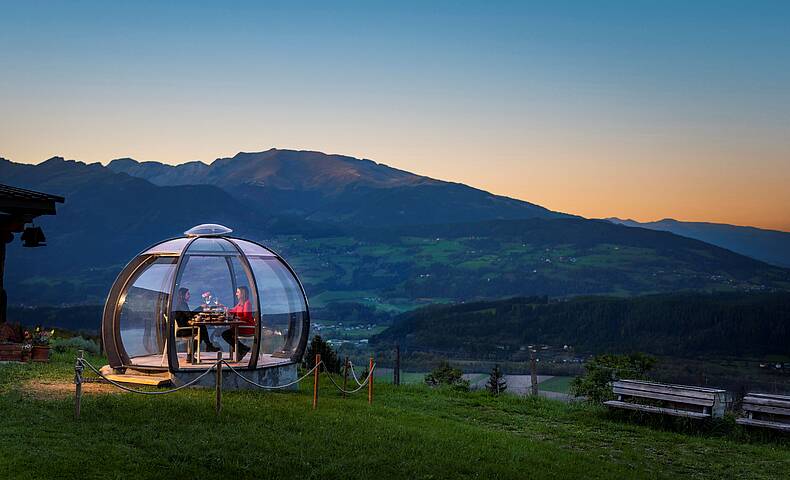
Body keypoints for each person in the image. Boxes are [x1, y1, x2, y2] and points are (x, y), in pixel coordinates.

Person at [173, 287, 219, 362]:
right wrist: (200, 308)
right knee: (201, 330)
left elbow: (188, 316)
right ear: (183, 295)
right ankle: (204, 348)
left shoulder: (181, 304)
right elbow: (190, 315)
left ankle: (195, 353)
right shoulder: (182, 304)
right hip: (182, 330)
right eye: (188, 294)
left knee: (201, 328)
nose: (189, 296)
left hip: (182, 328)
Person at [222, 286, 254, 359]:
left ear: (242, 294)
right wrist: (224, 308)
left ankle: (242, 349)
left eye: (238, 292)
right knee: (225, 334)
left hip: (247, 327)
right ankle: (242, 349)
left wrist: (236, 317)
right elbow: (233, 310)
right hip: (240, 327)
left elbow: (247, 317)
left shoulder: (247, 303)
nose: (236, 294)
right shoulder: (240, 304)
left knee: (226, 334)